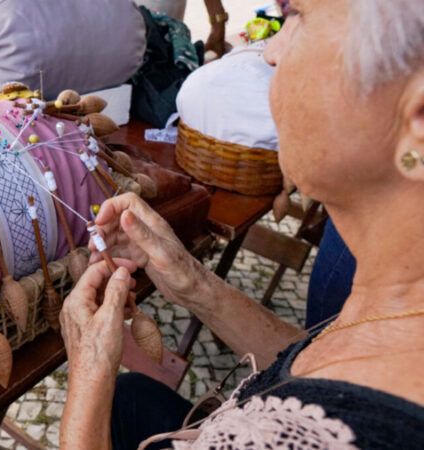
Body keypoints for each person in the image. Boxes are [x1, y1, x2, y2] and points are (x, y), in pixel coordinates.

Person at [60, 0, 424, 448]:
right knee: (132, 397)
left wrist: (87, 376)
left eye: (296, 15)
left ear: (418, 118)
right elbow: (323, 367)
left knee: (113, 398)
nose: (270, 52)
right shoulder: (398, 301)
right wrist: (195, 284)